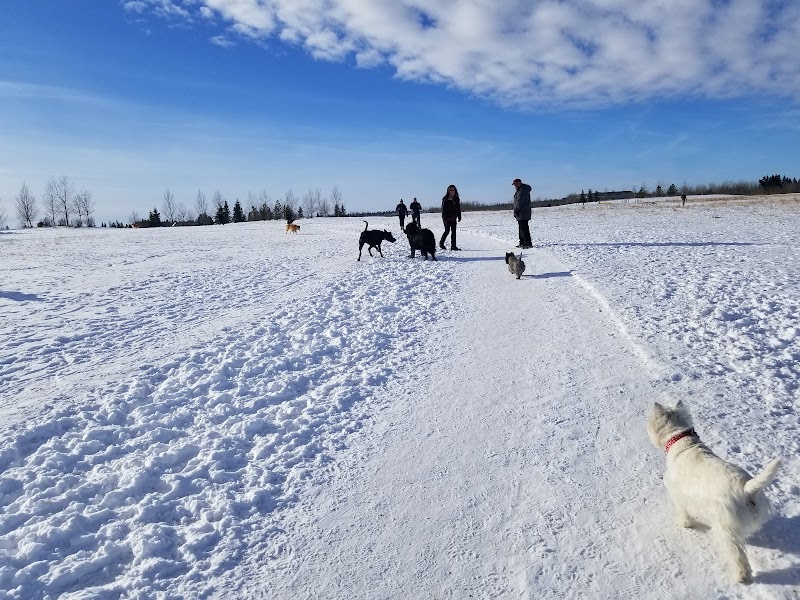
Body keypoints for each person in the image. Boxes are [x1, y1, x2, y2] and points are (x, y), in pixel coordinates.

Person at [439, 184, 462, 250]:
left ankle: (453, 246)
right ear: (448, 191)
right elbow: (443, 209)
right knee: (447, 231)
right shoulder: (445, 198)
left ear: (455, 191)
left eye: (453, 190)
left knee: (454, 232)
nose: (452, 191)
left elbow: (458, 208)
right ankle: (441, 243)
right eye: (450, 190)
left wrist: (459, 216)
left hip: (453, 217)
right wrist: (444, 217)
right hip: (447, 218)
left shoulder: (457, 198)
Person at [512, 178, 532, 249]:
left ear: (519, 183)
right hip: (521, 212)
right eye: (514, 185)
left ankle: (527, 243)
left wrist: (516, 209)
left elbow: (519, 201)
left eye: (516, 184)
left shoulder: (522, 190)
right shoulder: (520, 190)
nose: (515, 186)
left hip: (523, 212)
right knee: (521, 228)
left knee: (524, 228)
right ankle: (522, 242)